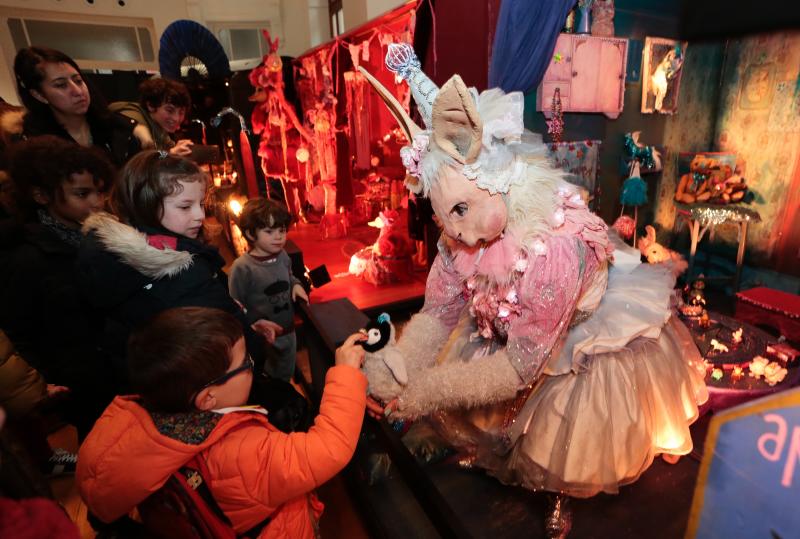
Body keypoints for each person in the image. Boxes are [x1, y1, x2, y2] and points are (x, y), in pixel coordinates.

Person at [360, 44, 708, 538]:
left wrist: (420, 393)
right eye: (442, 214)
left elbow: (518, 367)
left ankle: (561, 487)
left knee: (566, 428)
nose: (451, 232)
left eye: (460, 211)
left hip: (570, 333)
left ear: (499, 180)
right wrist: (396, 368)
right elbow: (438, 314)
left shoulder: (553, 255)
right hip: (508, 327)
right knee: (484, 391)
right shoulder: (460, 235)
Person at [77, 306, 367, 537]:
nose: (251, 367)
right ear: (208, 399)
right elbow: (330, 447)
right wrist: (345, 373)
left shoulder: (152, 426)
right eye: (245, 364)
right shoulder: (240, 452)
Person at [76, 151, 279, 387]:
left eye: (201, 204)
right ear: (146, 205)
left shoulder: (145, 251)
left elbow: (220, 302)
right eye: (185, 207)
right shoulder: (180, 274)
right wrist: (255, 345)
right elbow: (225, 327)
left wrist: (249, 318)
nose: (200, 215)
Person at [0, 135, 115, 438]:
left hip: (121, 369)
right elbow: (17, 331)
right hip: (83, 384)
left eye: (99, 192)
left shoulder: (100, 235)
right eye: (82, 193)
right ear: (41, 196)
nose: (96, 202)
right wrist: (41, 380)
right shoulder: (28, 258)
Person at [14, 46, 145, 167]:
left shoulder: (117, 128)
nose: (77, 91)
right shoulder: (38, 150)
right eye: (61, 85)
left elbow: (155, 162)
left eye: (78, 81)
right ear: (39, 95)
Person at [229, 198, 308, 382]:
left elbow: (290, 276)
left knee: (285, 373)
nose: (279, 236)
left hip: (288, 331)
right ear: (250, 234)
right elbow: (235, 305)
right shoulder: (242, 268)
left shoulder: (283, 256)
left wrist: (296, 285)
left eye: (282, 230)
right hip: (262, 338)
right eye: (269, 231)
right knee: (269, 377)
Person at [110, 77, 194, 156]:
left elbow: (163, 152)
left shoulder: (159, 128)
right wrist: (170, 154)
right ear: (150, 105)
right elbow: (147, 160)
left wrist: (175, 149)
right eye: (169, 110)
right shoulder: (134, 122)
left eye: (181, 112)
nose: (176, 118)